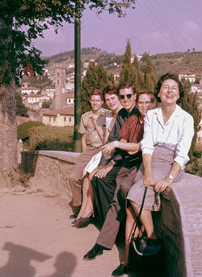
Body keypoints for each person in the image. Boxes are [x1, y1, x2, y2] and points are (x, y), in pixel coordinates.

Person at [117, 73, 195, 276]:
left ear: (179, 94)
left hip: (170, 163)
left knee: (134, 197)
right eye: (165, 87)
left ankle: (150, 237)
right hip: (150, 161)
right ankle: (127, 261)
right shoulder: (152, 115)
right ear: (159, 93)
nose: (170, 90)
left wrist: (169, 177)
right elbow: (148, 146)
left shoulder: (186, 118)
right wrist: (148, 172)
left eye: (174, 88)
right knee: (130, 210)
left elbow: (183, 154)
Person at [82, 82, 139, 259]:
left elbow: (133, 147)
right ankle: (110, 226)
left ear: (134, 96)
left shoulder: (141, 114)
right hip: (121, 161)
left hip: (135, 163)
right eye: (122, 96)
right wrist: (104, 165)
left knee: (119, 189)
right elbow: (114, 140)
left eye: (128, 96)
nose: (125, 99)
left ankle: (112, 234)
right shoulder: (122, 114)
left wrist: (110, 165)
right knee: (99, 179)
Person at [72, 85, 122, 222]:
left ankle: (88, 210)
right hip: (98, 151)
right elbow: (106, 139)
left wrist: (106, 158)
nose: (111, 102)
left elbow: (112, 141)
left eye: (113, 98)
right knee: (86, 175)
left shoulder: (111, 114)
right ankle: (83, 210)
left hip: (108, 152)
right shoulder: (90, 117)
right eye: (108, 99)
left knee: (90, 174)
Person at [67, 89, 112, 217]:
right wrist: (84, 153)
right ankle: (78, 205)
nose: (95, 103)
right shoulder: (85, 117)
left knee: (93, 177)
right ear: (90, 101)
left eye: (98, 100)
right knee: (73, 177)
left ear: (102, 101)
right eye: (93, 100)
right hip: (90, 150)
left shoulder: (109, 115)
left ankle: (92, 210)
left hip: (103, 150)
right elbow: (83, 136)